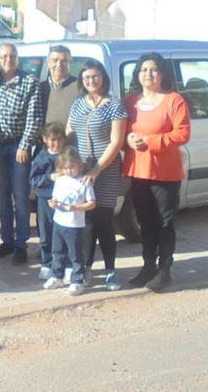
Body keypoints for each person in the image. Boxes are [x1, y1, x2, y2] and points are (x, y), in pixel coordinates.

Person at [123, 52, 191, 291]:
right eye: (143, 69)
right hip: (139, 171)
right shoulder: (130, 101)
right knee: (145, 222)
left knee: (164, 223)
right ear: (137, 74)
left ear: (162, 74)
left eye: (153, 70)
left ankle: (165, 270)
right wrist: (127, 140)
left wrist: (149, 141)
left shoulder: (174, 100)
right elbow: (120, 132)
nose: (148, 74)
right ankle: (148, 266)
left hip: (165, 174)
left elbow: (182, 134)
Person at [66, 60, 127, 291]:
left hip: (106, 170)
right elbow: (70, 133)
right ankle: (86, 268)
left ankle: (111, 270)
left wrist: (97, 169)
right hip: (82, 171)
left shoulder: (115, 105)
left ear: (103, 77)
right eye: (87, 78)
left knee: (103, 221)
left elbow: (116, 141)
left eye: (96, 76)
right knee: (87, 222)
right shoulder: (78, 104)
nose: (91, 81)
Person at [0, 43, 42, 265]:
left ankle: (21, 245)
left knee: (20, 196)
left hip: (19, 146)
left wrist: (25, 145)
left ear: (18, 59)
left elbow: (34, 116)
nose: (8, 59)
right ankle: (7, 240)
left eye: (12, 55)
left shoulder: (29, 81)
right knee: (2, 196)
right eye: (3, 56)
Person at [43, 146, 96, 296]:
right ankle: (57, 276)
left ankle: (78, 280)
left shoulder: (84, 182)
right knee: (57, 251)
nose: (69, 170)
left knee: (75, 254)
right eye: (65, 168)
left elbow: (92, 203)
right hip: (59, 222)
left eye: (72, 167)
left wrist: (75, 207)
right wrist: (53, 203)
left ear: (79, 166)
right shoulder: (60, 180)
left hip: (75, 224)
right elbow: (55, 198)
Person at [30, 123, 67, 280]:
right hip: (45, 199)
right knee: (45, 233)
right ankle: (46, 263)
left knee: (63, 233)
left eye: (59, 139)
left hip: (64, 201)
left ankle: (63, 264)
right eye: (52, 139)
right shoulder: (41, 157)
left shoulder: (67, 156)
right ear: (45, 139)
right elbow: (33, 179)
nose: (56, 143)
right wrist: (49, 177)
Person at [39, 45, 80, 131]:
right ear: (48, 62)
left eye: (63, 61)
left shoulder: (80, 87)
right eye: (55, 60)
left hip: (72, 142)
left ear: (70, 62)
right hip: (45, 142)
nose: (59, 65)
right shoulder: (40, 88)